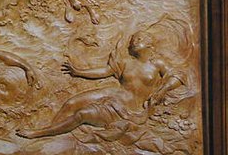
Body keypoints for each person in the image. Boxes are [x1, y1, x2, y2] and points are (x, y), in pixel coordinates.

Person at [16, 30, 183, 138]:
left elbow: (178, 76)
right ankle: (51, 131)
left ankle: (40, 133)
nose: (133, 42)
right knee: (72, 103)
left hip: (129, 108)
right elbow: (104, 71)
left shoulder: (157, 63)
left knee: (82, 114)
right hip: (114, 94)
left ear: (149, 43)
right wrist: (78, 72)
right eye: (132, 39)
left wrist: (163, 90)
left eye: (138, 39)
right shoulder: (126, 62)